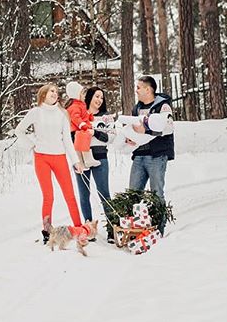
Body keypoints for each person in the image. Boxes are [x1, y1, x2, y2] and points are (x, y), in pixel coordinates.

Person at [15, 83, 85, 244]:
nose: (55, 93)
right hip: (42, 158)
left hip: (59, 157)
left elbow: (68, 140)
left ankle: (79, 228)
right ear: (43, 94)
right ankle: (47, 232)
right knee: (48, 196)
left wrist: (75, 162)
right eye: (51, 91)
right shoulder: (36, 112)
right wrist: (31, 145)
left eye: (56, 91)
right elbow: (19, 130)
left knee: (70, 195)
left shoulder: (62, 114)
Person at [126, 75, 175, 236]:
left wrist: (146, 130)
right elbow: (134, 128)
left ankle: (159, 229)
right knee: (133, 193)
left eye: (139, 87)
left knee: (156, 193)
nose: (136, 90)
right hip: (139, 155)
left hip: (157, 156)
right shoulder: (136, 108)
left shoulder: (163, 106)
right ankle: (135, 228)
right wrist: (131, 138)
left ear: (148, 89)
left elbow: (168, 128)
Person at [75, 86, 116, 243]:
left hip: (100, 158)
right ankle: (88, 229)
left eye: (102, 97)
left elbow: (111, 138)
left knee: (104, 194)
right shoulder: (79, 114)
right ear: (90, 97)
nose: (99, 100)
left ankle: (112, 229)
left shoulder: (106, 117)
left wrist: (95, 133)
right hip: (81, 158)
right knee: (84, 195)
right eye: (97, 96)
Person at [65, 81, 101, 168]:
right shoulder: (74, 106)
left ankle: (81, 164)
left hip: (78, 129)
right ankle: (87, 160)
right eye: (82, 94)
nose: (84, 96)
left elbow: (83, 115)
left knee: (78, 148)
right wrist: (82, 125)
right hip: (77, 130)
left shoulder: (79, 104)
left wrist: (89, 116)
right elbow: (76, 118)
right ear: (76, 95)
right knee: (82, 143)